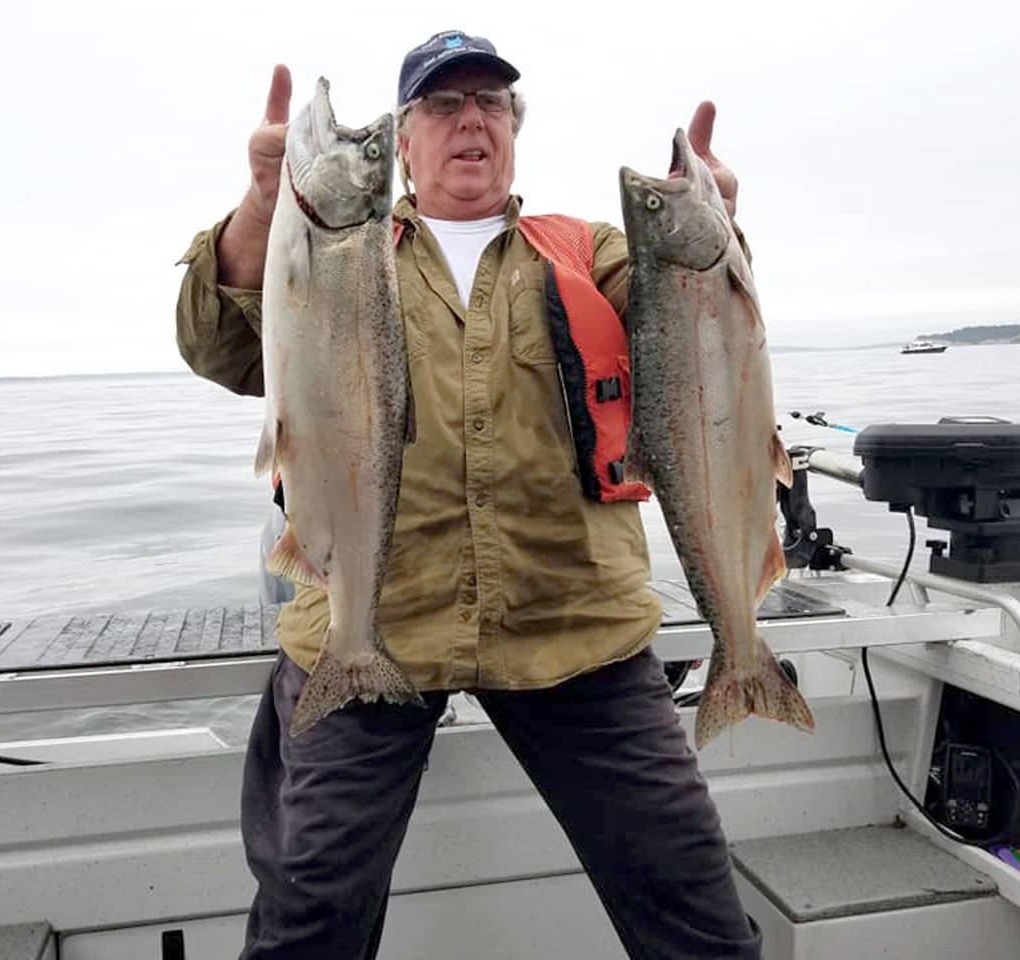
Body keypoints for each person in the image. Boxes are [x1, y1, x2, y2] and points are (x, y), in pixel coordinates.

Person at [175, 30, 761, 960]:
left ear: (515, 132)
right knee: (309, 913)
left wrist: (714, 237)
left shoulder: (593, 251)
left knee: (695, 906)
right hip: (367, 622)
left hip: (576, 622)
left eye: (491, 103)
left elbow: (700, 352)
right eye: (443, 107)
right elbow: (218, 347)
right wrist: (259, 207)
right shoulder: (335, 250)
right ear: (403, 142)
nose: (470, 121)